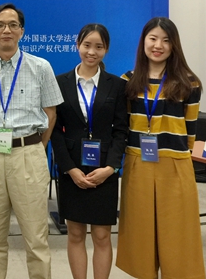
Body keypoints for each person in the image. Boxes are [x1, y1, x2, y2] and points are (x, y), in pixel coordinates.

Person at [0, 3, 63, 279]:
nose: (6, 30)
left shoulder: (41, 67)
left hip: (28, 154)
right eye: (0, 25)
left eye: (13, 25)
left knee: (36, 237)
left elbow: (51, 113)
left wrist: (36, 147)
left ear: (22, 31)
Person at [115, 17, 205, 279]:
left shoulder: (189, 83)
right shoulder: (128, 81)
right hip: (137, 163)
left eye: (166, 40)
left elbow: (190, 131)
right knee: (139, 230)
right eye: (153, 38)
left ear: (174, 45)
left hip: (175, 164)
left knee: (178, 231)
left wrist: (182, 158)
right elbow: (124, 125)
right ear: (143, 41)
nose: (158, 45)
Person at [50, 24, 127, 279]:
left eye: (98, 47)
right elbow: (55, 130)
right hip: (72, 169)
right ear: (77, 45)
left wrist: (111, 168)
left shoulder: (117, 85)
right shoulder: (60, 83)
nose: (91, 52)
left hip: (104, 169)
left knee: (102, 235)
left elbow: (121, 131)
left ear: (106, 49)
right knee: (75, 233)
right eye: (87, 45)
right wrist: (69, 169)